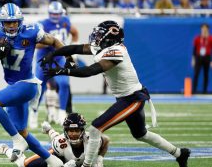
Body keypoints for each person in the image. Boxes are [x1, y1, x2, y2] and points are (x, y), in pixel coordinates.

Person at [40, 20, 191, 167]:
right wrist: (53, 54)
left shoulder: (117, 51)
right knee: (141, 134)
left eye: (100, 35)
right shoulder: (101, 47)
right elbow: (75, 48)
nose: (96, 38)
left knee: (95, 129)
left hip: (132, 98)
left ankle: (87, 165)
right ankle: (179, 153)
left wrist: (62, 71)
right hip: (126, 97)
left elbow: (90, 70)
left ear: (110, 38)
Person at [0, 3, 65, 167]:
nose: (12, 25)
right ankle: (52, 160)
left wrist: (69, 58)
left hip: (27, 84)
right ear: (1, 22)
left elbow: (55, 41)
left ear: (20, 21)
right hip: (14, 85)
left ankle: (15, 141)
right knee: (22, 131)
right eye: (8, 22)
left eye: (15, 21)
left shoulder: (31, 30)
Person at [0, 113, 109, 167]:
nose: (74, 133)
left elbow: (106, 141)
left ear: (82, 130)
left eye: (77, 130)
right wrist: (50, 130)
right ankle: (4, 149)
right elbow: (56, 139)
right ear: (66, 131)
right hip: (59, 157)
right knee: (24, 164)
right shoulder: (60, 142)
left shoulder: (92, 140)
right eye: (71, 130)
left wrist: (99, 158)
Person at [30, 1, 79, 127]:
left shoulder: (66, 21)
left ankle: (62, 113)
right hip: (44, 59)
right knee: (39, 88)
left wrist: (72, 47)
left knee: (64, 83)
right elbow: (36, 45)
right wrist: (52, 42)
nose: (55, 16)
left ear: (61, 13)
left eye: (57, 14)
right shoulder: (42, 24)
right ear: (49, 13)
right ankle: (33, 112)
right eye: (53, 13)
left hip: (59, 58)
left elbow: (74, 32)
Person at [192, 23, 212, 94]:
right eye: (203, 28)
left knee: (206, 75)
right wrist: (193, 59)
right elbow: (194, 50)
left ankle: (205, 91)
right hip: (198, 57)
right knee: (196, 74)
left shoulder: (210, 38)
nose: (204, 30)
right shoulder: (197, 38)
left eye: (205, 28)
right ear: (201, 29)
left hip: (207, 57)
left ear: (208, 29)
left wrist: (211, 61)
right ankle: (194, 90)